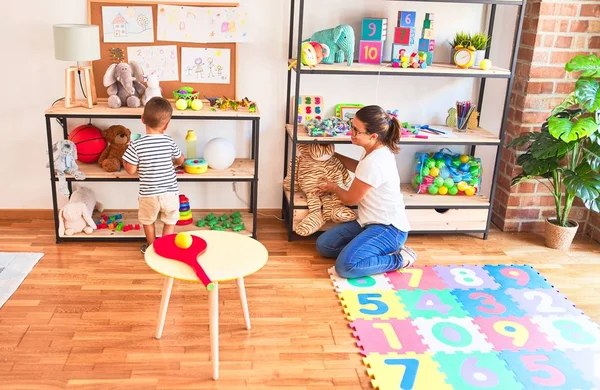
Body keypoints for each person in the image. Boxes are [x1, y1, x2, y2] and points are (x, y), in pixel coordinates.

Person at [316, 105, 417, 278]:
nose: (351, 132)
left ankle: (401, 258)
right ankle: (366, 248)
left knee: (346, 267)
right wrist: (334, 155)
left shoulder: (376, 161)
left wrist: (333, 187)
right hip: (367, 222)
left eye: (356, 130)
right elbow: (360, 169)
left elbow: (350, 199)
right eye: (351, 125)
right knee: (324, 245)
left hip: (389, 228)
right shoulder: (375, 150)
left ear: (373, 136)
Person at [122, 97, 185, 253]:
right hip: (170, 193)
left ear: (142, 119)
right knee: (170, 220)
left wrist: (125, 160)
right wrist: (176, 163)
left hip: (148, 194)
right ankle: (166, 247)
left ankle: (151, 247)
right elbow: (180, 159)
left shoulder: (136, 144)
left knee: (148, 220)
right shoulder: (169, 141)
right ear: (166, 125)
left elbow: (130, 170)